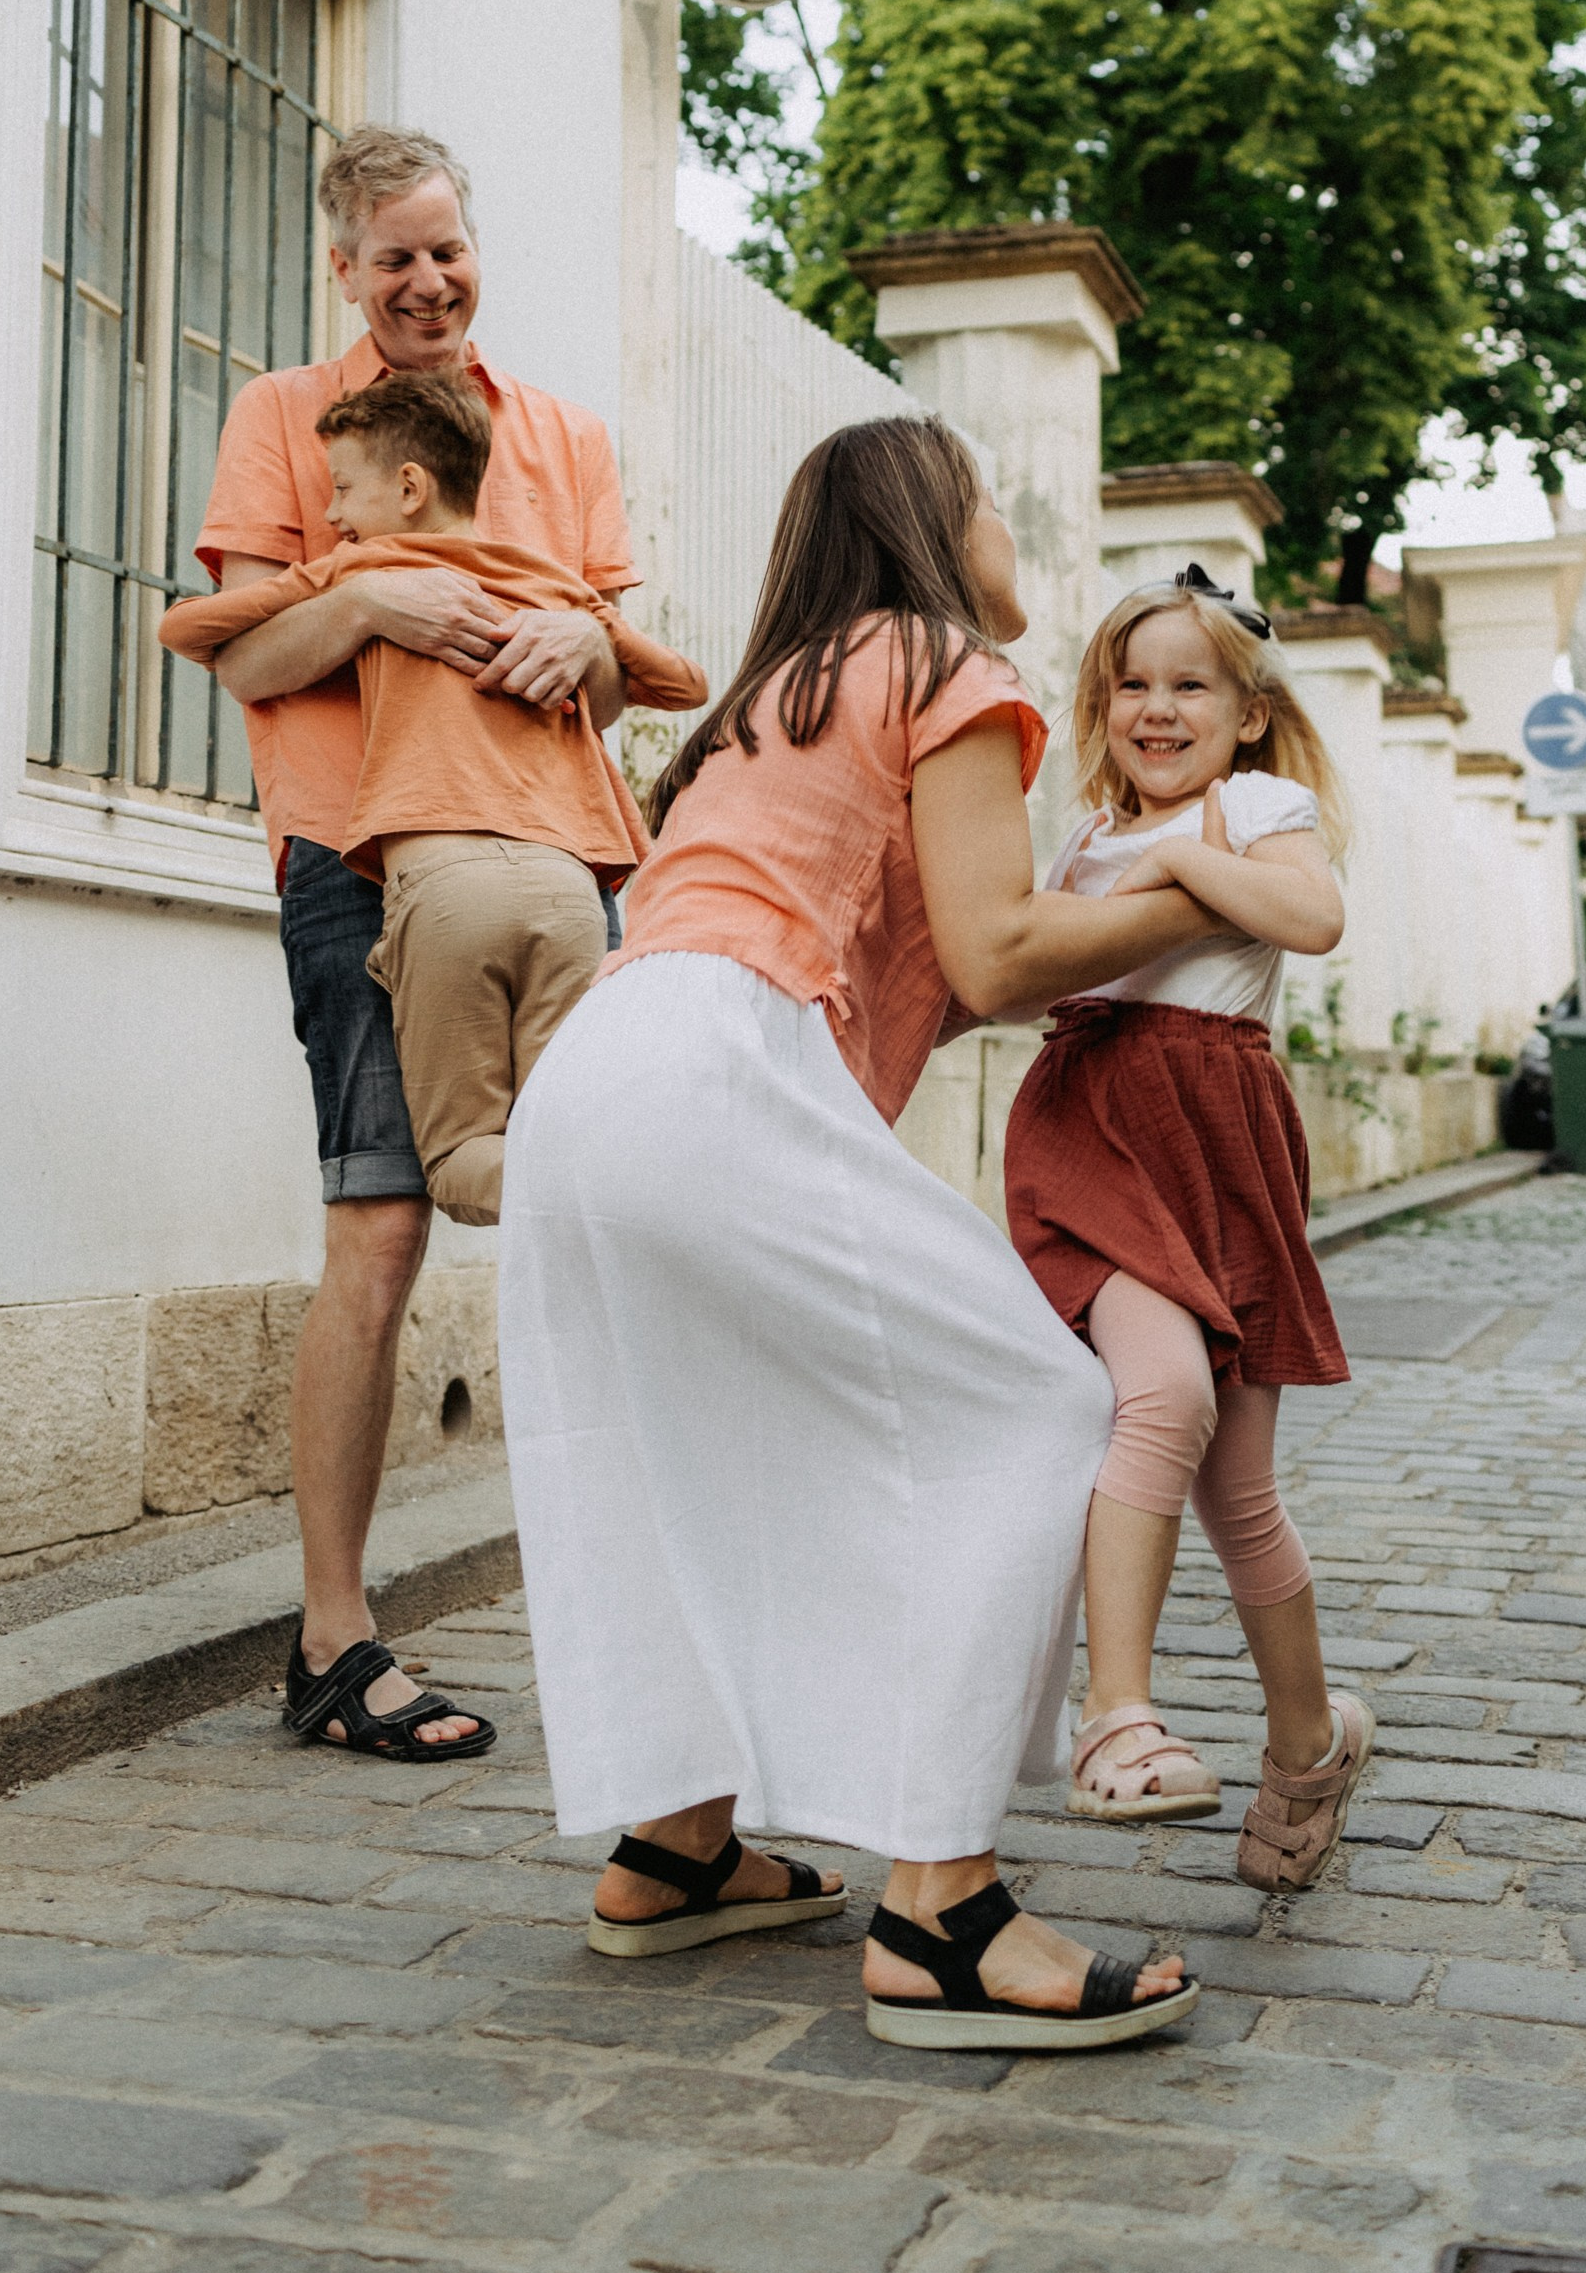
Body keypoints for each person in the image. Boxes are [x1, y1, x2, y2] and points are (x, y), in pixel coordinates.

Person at [497, 416, 1238, 2051]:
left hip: (600, 1079)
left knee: (667, 1443)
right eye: (989, 496)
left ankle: (679, 1845)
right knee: (1043, 1403)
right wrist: (1211, 891)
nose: (1009, 528)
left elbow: (917, 970)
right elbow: (991, 952)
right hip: (708, 1066)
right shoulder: (941, 662)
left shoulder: (779, 695)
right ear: (933, 523)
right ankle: (945, 1913)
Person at [197, 125, 640, 1762]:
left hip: (553, 863)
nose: (429, 278)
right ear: (346, 268)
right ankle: (334, 1641)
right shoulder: (283, 421)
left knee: (596, 1215)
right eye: (395, 255)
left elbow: (614, 673)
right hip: (360, 860)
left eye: (447, 248)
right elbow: (249, 664)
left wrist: (572, 636)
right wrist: (375, 599)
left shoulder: (566, 435)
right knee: (380, 1235)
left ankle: (633, 1591)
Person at [1001, 572, 1375, 1890]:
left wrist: (1174, 855)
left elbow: (1314, 919)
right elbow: (1012, 978)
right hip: (1092, 1140)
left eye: (1190, 684)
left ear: (1248, 715)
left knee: (1241, 1497)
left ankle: (1310, 1744)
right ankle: (1120, 1713)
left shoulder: (1258, 809)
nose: (1156, 709)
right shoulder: (1078, 833)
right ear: (1104, 704)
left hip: (1216, 1148)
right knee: (1159, 1400)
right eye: (1132, 683)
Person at [163, 368, 706, 1232]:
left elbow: (193, 630)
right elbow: (682, 683)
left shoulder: (367, 563)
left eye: (342, 490)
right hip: (570, 888)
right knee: (568, 1129)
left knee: (458, 1164)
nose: (333, 513)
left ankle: (632, 1194)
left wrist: (357, 600)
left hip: (447, 887)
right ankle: (649, 1190)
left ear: (409, 487)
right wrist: (589, 629)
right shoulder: (550, 585)